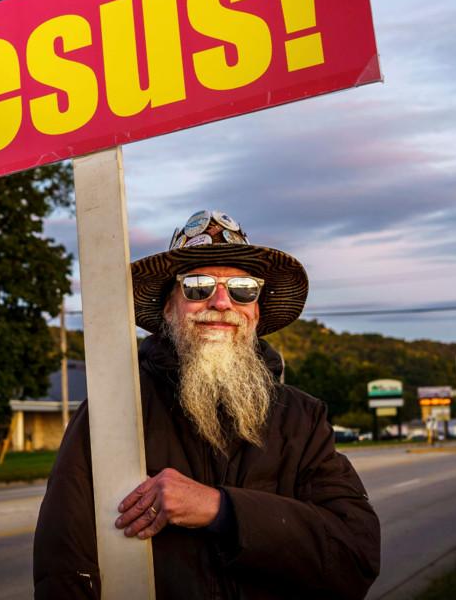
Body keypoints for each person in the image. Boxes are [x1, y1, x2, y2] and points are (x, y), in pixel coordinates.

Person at [33, 210, 381, 599]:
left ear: (256, 310)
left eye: (243, 288)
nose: (220, 302)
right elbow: (63, 569)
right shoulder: (112, 411)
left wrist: (223, 509)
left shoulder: (301, 419)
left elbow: (355, 554)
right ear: (169, 309)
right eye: (197, 286)